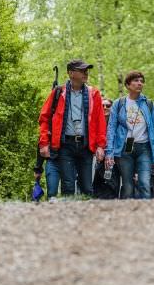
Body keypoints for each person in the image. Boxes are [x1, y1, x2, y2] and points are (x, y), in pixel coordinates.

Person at [38, 59, 106, 198]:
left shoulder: (94, 94)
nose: (85, 73)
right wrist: (44, 143)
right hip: (65, 145)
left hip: (86, 145)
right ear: (71, 73)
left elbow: (100, 122)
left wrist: (101, 146)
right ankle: (67, 216)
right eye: (81, 70)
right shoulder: (58, 92)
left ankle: (87, 217)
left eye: (86, 70)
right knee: (68, 185)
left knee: (87, 187)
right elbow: (44, 118)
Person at [105, 71, 154, 199]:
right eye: (136, 81)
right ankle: (127, 215)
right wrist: (109, 152)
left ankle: (146, 214)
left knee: (145, 183)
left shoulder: (149, 104)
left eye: (141, 81)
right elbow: (112, 128)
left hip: (144, 148)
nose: (139, 83)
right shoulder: (119, 104)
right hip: (124, 149)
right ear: (128, 85)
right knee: (128, 185)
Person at [92, 98, 121, 199]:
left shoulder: (118, 122)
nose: (105, 107)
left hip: (113, 158)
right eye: (102, 105)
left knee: (112, 184)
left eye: (108, 105)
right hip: (96, 158)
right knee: (96, 184)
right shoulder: (93, 121)